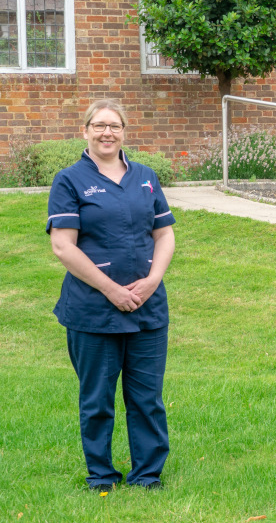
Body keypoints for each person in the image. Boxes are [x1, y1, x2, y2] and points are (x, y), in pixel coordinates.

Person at [47, 99, 176, 491]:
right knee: (97, 400)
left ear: (124, 131)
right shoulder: (69, 180)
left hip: (146, 308)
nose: (107, 133)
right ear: (85, 131)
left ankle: (147, 476)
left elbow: (164, 233)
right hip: (93, 311)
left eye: (115, 126)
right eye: (99, 125)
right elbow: (64, 247)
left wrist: (153, 279)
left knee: (147, 399)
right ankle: (101, 475)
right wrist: (111, 290)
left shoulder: (145, 176)